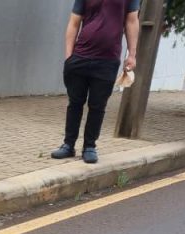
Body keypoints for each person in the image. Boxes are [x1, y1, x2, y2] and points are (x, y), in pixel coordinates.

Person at [50, 0, 140, 164]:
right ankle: (68, 145)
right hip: (80, 57)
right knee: (75, 103)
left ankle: (89, 146)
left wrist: (132, 54)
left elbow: (132, 21)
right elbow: (74, 22)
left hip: (107, 61)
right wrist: (69, 57)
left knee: (97, 106)